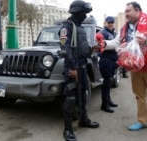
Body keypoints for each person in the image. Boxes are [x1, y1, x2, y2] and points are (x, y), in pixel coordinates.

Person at [97, 2, 147, 141]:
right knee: (139, 94)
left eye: (128, 11)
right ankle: (142, 121)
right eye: (125, 11)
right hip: (135, 64)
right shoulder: (125, 27)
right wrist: (104, 44)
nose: (126, 14)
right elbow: (116, 42)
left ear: (137, 10)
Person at [58, 1, 99, 141]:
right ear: (77, 12)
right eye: (84, 13)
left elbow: (81, 49)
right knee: (71, 98)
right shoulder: (66, 27)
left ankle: (84, 119)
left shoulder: (80, 27)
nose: (85, 16)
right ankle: (68, 130)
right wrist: (73, 68)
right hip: (72, 68)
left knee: (83, 95)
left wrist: (91, 49)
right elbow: (65, 48)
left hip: (82, 67)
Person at [99, 16, 118, 113]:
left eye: (112, 22)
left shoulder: (114, 33)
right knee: (106, 82)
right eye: (109, 22)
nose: (111, 24)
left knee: (110, 81)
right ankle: (104, 104)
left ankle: (108, 100)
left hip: (113, 60)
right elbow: (101, 46)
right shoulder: (102, 33)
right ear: (105, 22)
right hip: (106, 60)